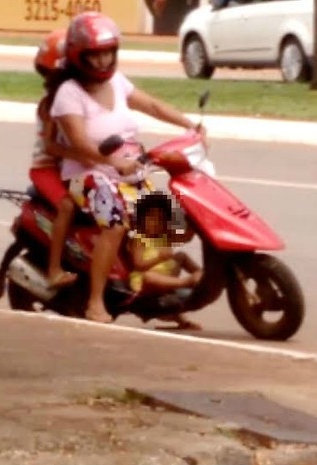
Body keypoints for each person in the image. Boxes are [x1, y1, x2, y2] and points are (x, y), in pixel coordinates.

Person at [50, 11, 206, 323]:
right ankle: (95, 301)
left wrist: (189, 125)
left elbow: (152, 105)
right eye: (95, 56)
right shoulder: (69, 94)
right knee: (117, 223)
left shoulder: (118, 83)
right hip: (86, 176)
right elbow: (79, 144)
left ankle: (160, 298)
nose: (103, 62)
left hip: (131, 171)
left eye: (108, 53)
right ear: (79, 56)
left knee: (170, 227)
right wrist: (113, 161)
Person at [30, 29, 80, 288]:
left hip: (72, 166)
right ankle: (54, 269)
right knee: (67, 206)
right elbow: (50, 149)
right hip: (47, 168)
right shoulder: (52, 104)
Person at [128, 192, 202, 330]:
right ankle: (187, 282)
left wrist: (191, 220)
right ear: (141, 219)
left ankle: (202, 276)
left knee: (181, 256)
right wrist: (158, 259)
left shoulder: (165, 236)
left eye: (160, 219)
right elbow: (138, 265)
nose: (156, 223)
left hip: (167, 277)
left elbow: (185, 237)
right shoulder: (139, 239)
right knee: (149, 277)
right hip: (146, 282)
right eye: (151, 218)